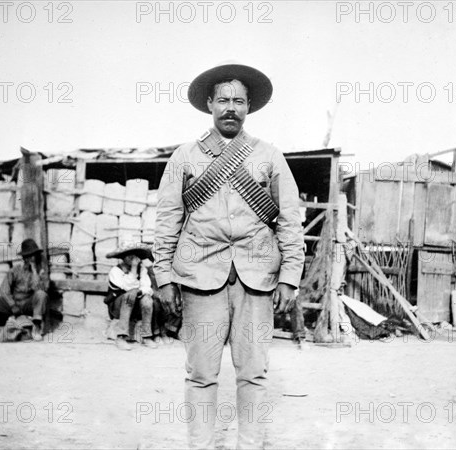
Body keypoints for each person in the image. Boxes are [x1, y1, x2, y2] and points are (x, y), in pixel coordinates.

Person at [154, 63, 305, 449]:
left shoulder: (269, 156)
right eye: (223, 99)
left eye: (239, 100)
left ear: (249, 107)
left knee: (253, 374)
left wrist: (289, 276)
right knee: (201, 373)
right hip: (199, 277)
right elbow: (167, 220)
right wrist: (164, 277)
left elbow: (289, 218)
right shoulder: (184, 157)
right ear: (209, 104)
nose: (230, 108)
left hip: (257, 278)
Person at [104, 244, 160, 350]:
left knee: (147, 299)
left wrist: (138, 291)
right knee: (129, 295)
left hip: (135, 306)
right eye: (128, 256)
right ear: (123, 258)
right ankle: (121, 337)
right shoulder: (116, 271)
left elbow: (147, 288)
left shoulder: (142, 270)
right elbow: (127, 287)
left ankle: (146, 336)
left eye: (134, 256)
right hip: (118, 307)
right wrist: (134, 269)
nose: (131, 259)